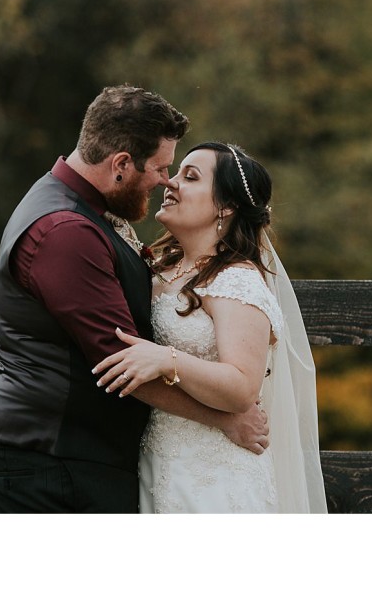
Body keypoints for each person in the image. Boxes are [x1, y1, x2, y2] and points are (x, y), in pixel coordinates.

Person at [0, 87, 270, 513]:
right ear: (120, 165)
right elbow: (123, 360)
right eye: (162, 168)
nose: (165, 181)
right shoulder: (67, 230)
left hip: (91, 454)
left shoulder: (86, 210)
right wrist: (225, 420)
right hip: (54, 457)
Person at [93, 142, 327, 513]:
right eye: (176, 173)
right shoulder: (159, 271)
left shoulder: (236, 281)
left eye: (190, 177)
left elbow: (241, 388)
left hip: (217, 477)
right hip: (159, 463)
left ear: (226, 206)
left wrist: (166, 359)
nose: (170, 184)